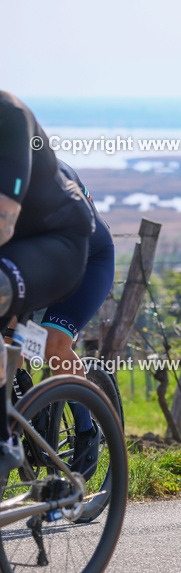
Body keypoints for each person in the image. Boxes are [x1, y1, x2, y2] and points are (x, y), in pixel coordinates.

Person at [0, 90, 94, 473]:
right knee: (12, 341)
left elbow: (4, 221)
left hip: (63, 243)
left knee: (53, 344)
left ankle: (84, 433)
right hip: (17, 253)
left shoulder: (9, 116)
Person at [38, 161, 116, 480]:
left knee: (52, 343)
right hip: (42, 259)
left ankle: (87, 432)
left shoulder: (47, 173)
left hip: (87, 260)